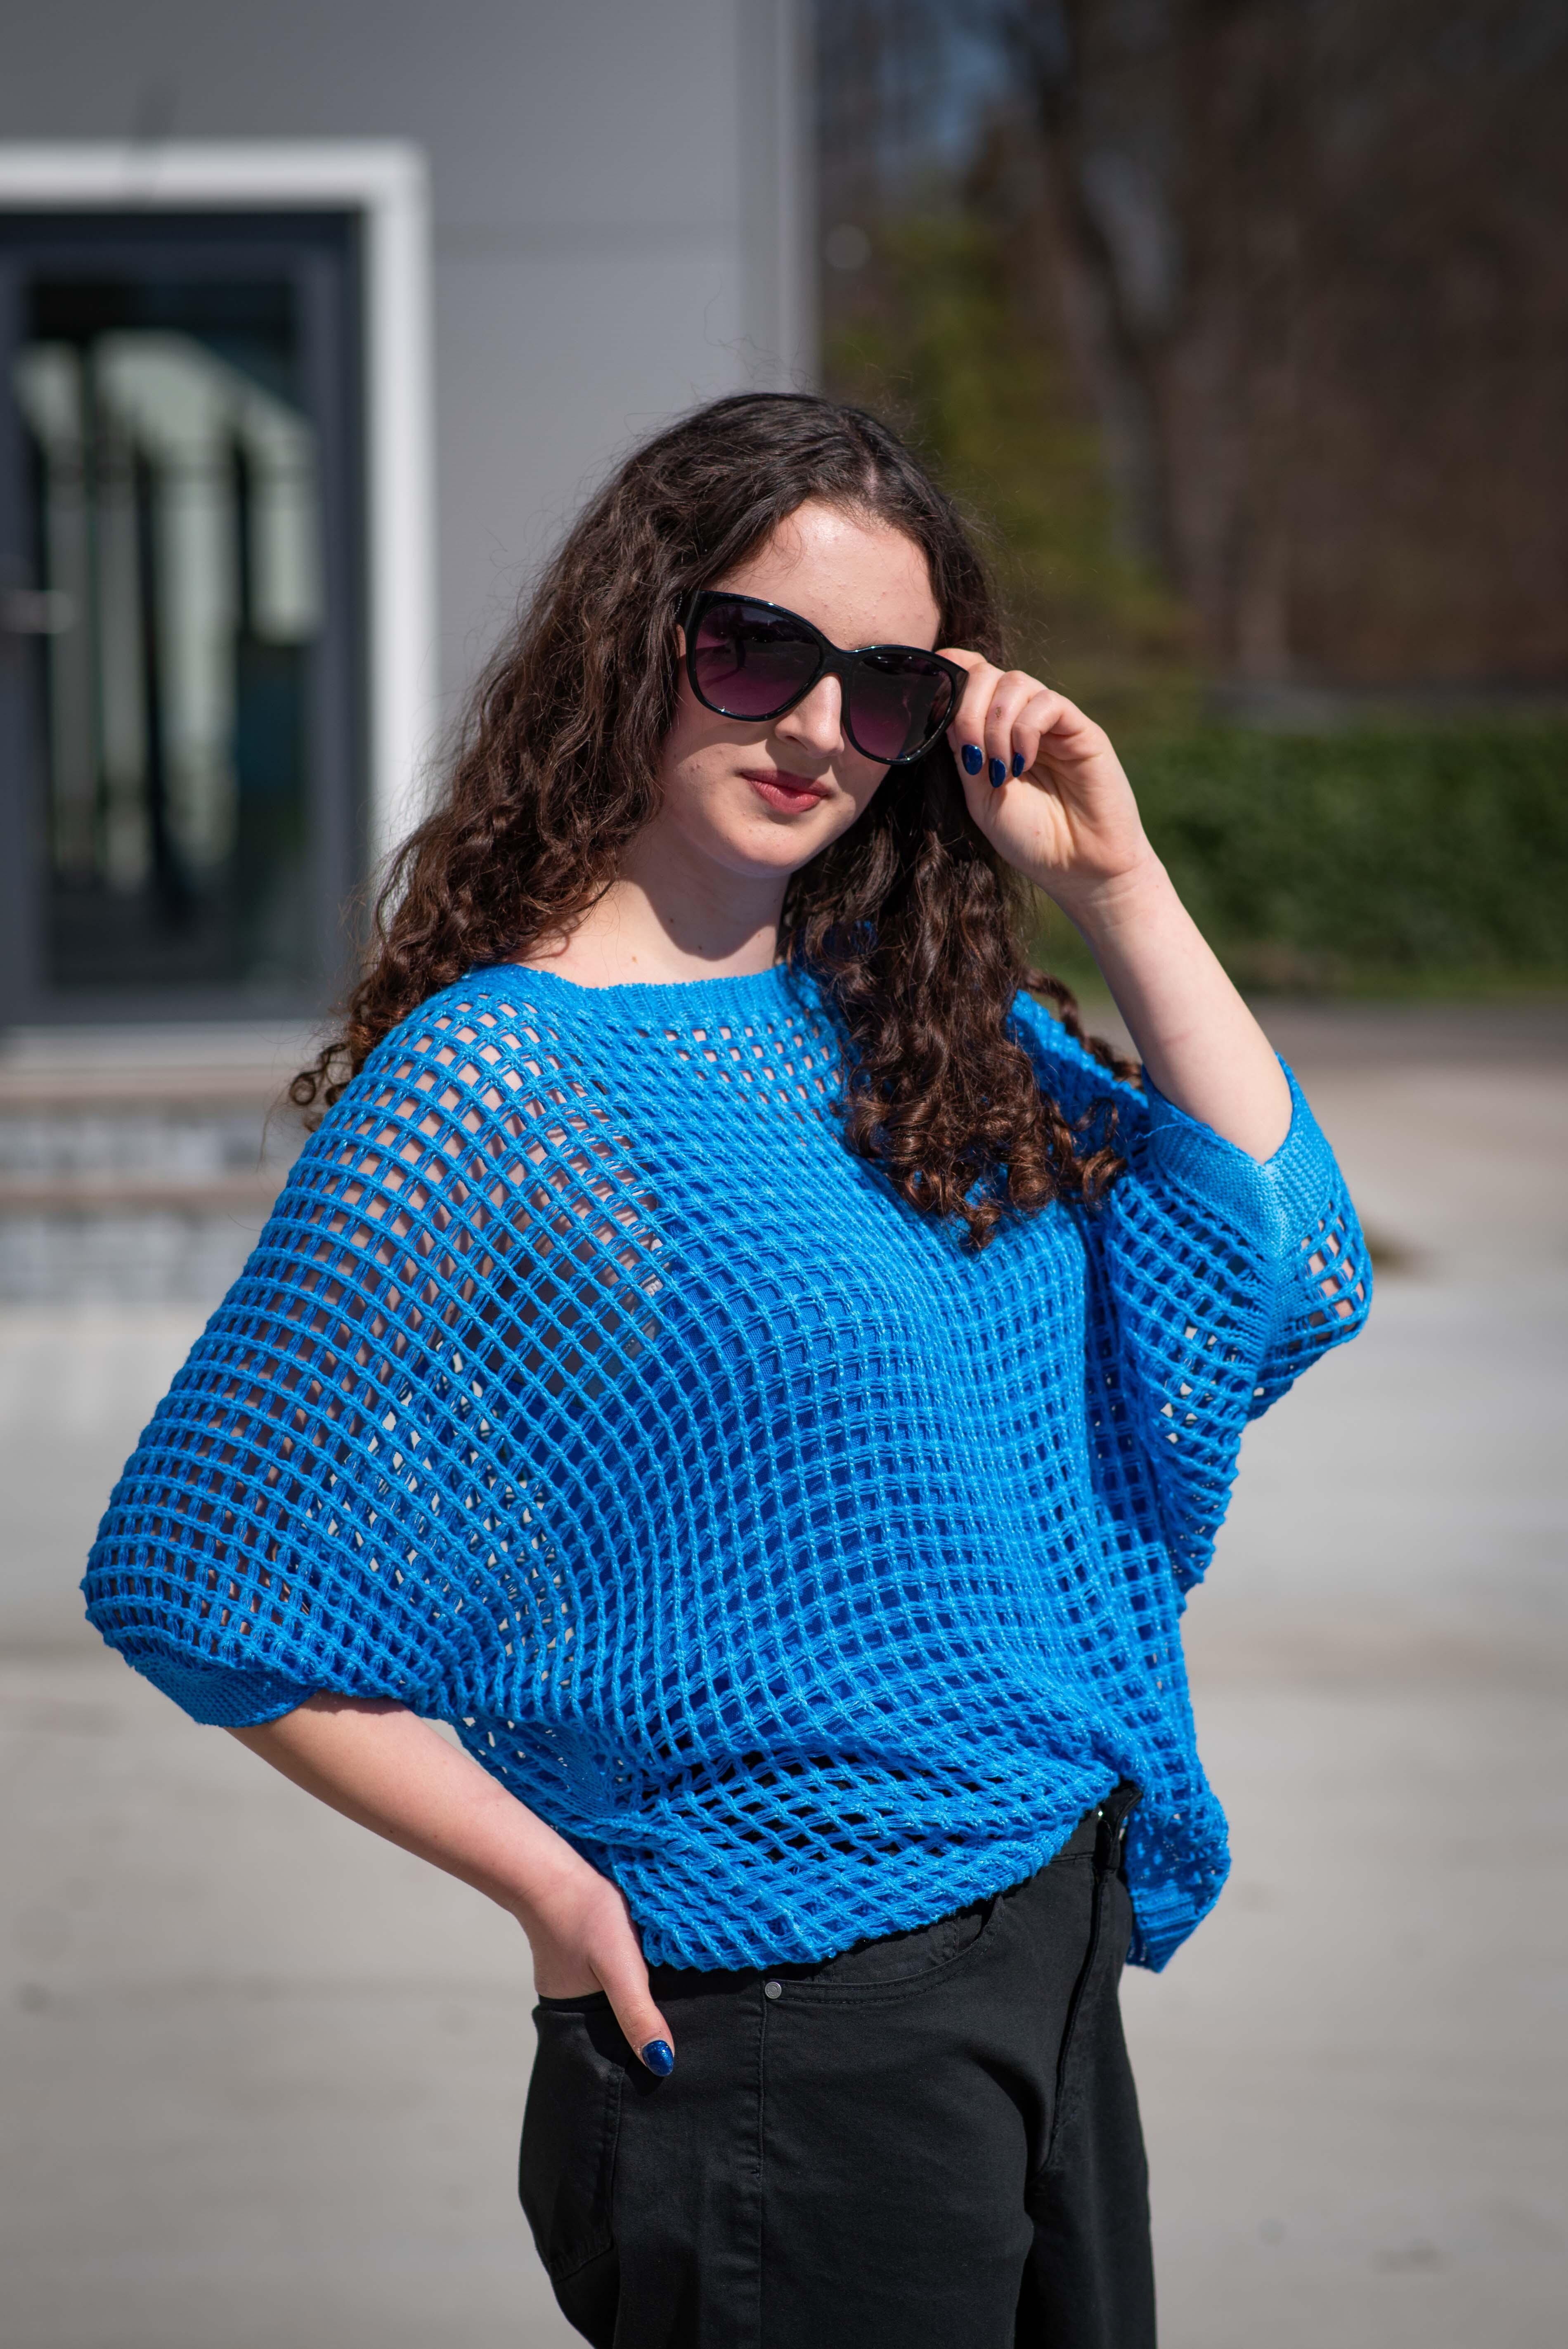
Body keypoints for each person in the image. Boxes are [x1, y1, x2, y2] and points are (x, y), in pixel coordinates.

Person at [82, 391, 1370, 2347]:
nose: (815, 727)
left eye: (887, 687)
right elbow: (200, 1577)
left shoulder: (908, 1019)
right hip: (786, 2034)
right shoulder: (495, 1079)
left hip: (1041, 1943)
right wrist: (547, 1884)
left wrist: (1114, 885)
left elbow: (1282, 1259)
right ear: (639, 637)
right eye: (758, 650)